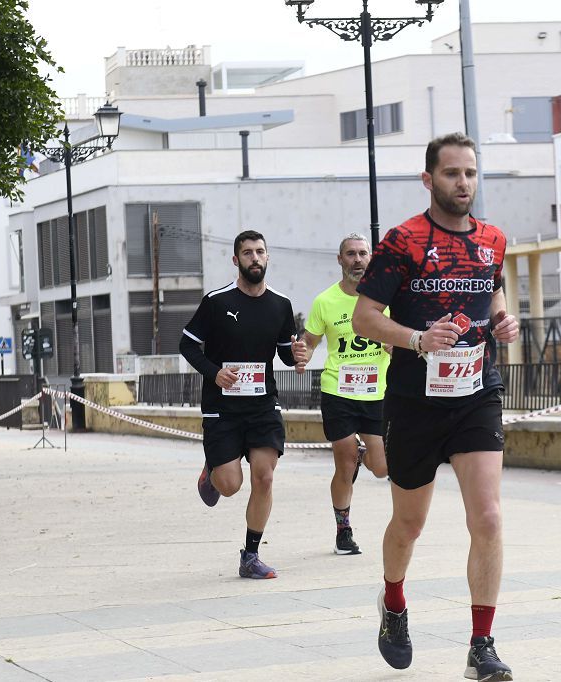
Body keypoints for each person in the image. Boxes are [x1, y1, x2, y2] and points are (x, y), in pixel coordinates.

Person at [353, 132, 519, 682]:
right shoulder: (402, 241)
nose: (463, 183)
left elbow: (491, 290)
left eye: (470, 172)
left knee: (489, 518)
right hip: (414, 401)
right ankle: (393, 600)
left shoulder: (493, 239)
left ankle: (481, 645)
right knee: (410, 522)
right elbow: (365, 318)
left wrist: (502, 318)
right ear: (429, 179)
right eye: (451, 173)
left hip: (477, 392)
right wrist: (419, 339)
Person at [179, 230, 307, 579]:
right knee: (231, 485)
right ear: (236, 260)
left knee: (264, 478)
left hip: (263, 405)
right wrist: (214, 372)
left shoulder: (280, 304)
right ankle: (213, 471)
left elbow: (283, 351)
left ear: (267, 258)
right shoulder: (217, 302)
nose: (254, 258)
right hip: (222, 409)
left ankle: (250, 556)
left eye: (260, 251)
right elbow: (188, 345)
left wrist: (296, 354)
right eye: (247, 253)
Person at [296, 232, 390, 556]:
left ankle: (364, 456)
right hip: (338, 388)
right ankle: (343, 530)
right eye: (350, 254)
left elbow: (401, 338)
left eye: (363, 253)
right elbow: (309, 341)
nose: (357, 260)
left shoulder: (385, 301)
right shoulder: (325, 301)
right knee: (344, 460)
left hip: (377, 392)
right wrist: (303, 354)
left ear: (370, 258)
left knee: (382, 468)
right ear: (340, 260)